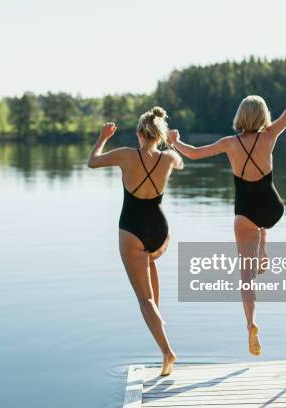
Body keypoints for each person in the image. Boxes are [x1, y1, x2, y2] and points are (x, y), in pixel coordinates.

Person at [168, 53, 286, 356]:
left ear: (242, 116)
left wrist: (175, 142)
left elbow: (194, 153)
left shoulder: (230, 143)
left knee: (246, 274)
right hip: (271, 207)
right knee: (264, 224)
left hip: (244, 214)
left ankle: (251, 322)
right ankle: (264, 242)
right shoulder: (270, 135)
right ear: (263, 116)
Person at [87, 107, 184, 376]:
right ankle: (159, 318)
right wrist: (172, 143)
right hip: (159, 229)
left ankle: (167, 352)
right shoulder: (169, 158)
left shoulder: (126, 155)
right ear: (159, 134)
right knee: (150, 261)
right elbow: (181, 161)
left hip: (132, 230)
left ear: (140, 133)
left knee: (144, 300)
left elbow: (92, 162)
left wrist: (103, 137)